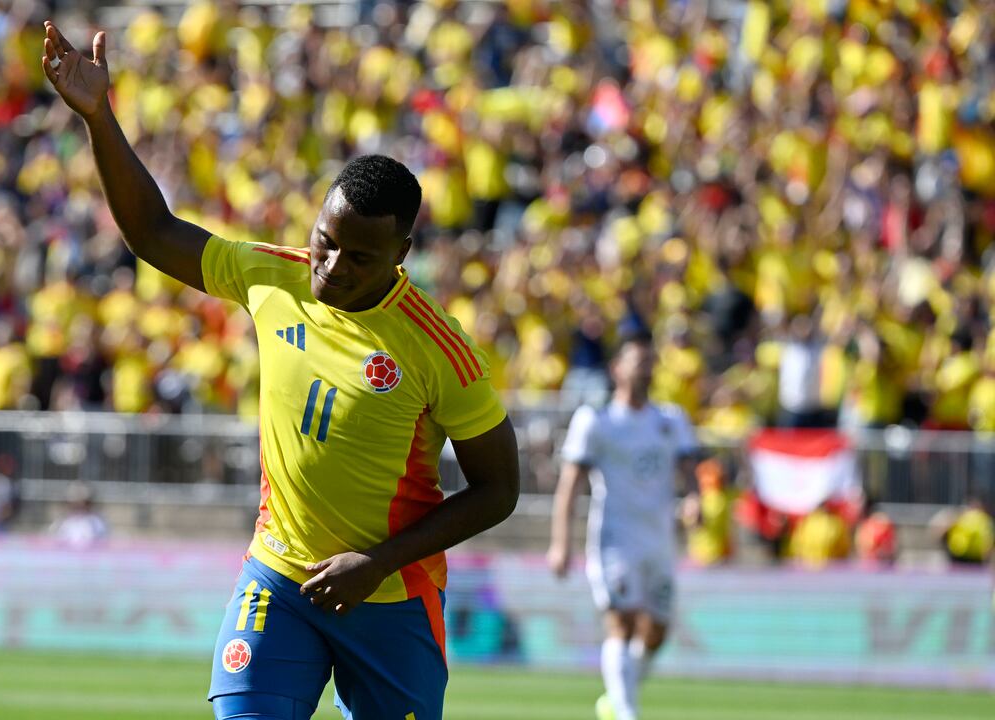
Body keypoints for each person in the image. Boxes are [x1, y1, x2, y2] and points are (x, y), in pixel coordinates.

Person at [41, 23, 521, 720]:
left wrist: (379, 561)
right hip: (279, 577)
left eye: (359, 258)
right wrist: (98, 117)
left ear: (402, 252)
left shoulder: (438, 350)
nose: (330, 267)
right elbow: (152, 232)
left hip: (390, 599)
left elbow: (499, 489)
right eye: (325, 242)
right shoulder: (273, 276)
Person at [547, 333, 697, 720]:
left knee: (656, 632)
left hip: (660, 540)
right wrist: (560, 543)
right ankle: (627, 714)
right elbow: (570, 486)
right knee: (622, 622)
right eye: (637, 361)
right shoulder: (596, 421)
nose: (645, 368)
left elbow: (689, 471)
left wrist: (694, 499)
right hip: (615, 540)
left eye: (650, 361)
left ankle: (617, 697)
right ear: (617, 369)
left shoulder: (671, 420)